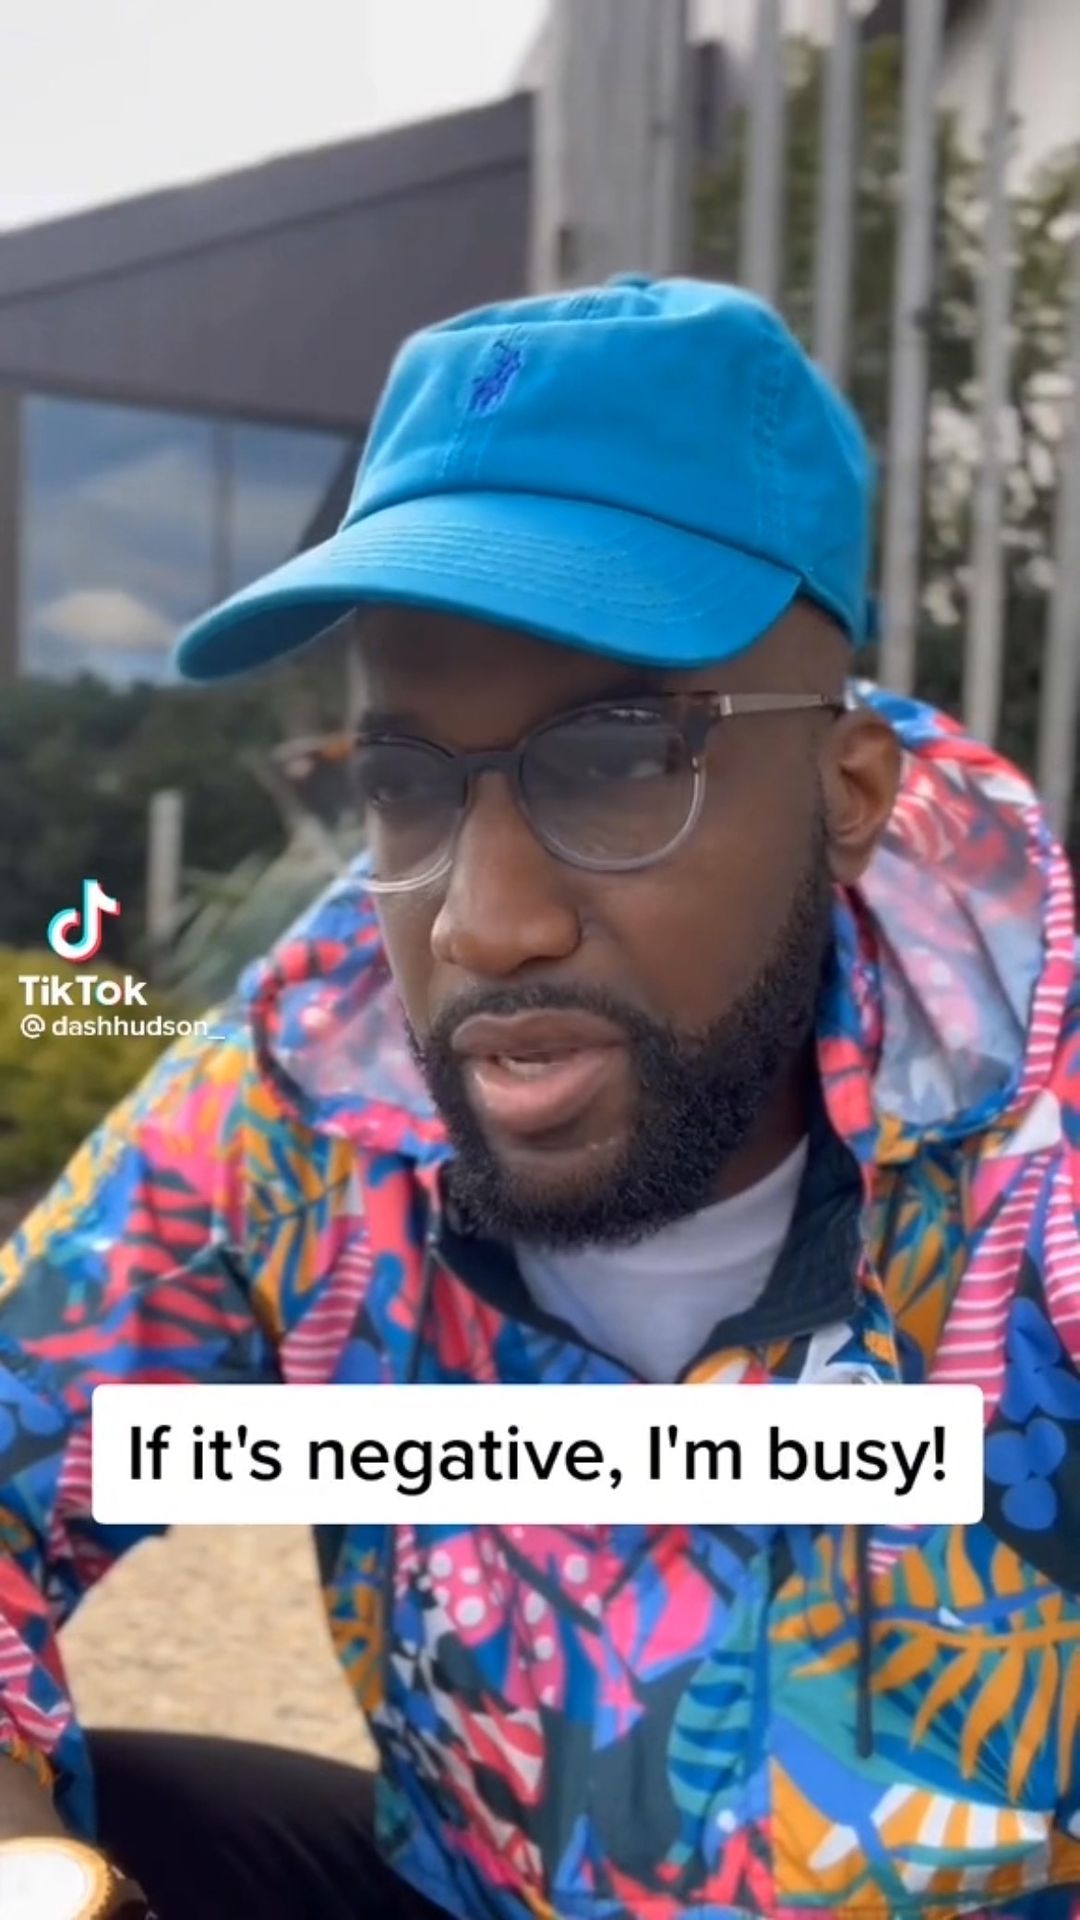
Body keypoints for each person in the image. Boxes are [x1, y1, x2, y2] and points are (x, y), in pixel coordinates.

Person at [0, 276, 1078, 1920]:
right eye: (405, 783)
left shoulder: (1036, 1146)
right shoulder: (316, 1091)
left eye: (621, 757)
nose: (484, 924)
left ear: (848, 792)